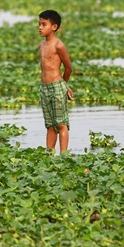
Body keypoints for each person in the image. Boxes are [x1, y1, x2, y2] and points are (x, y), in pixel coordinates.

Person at [38, 9, 73, 154]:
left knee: (61, 124)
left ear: (54, 27)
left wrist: (64, 86)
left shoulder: (58, 45)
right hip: (44, 88)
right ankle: (49, 155)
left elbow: (69, 68)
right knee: (50, 125)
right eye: (39, 24)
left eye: (44, 24)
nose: (40, 27)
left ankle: (64, 156)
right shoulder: (41, 45)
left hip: (57, 86)